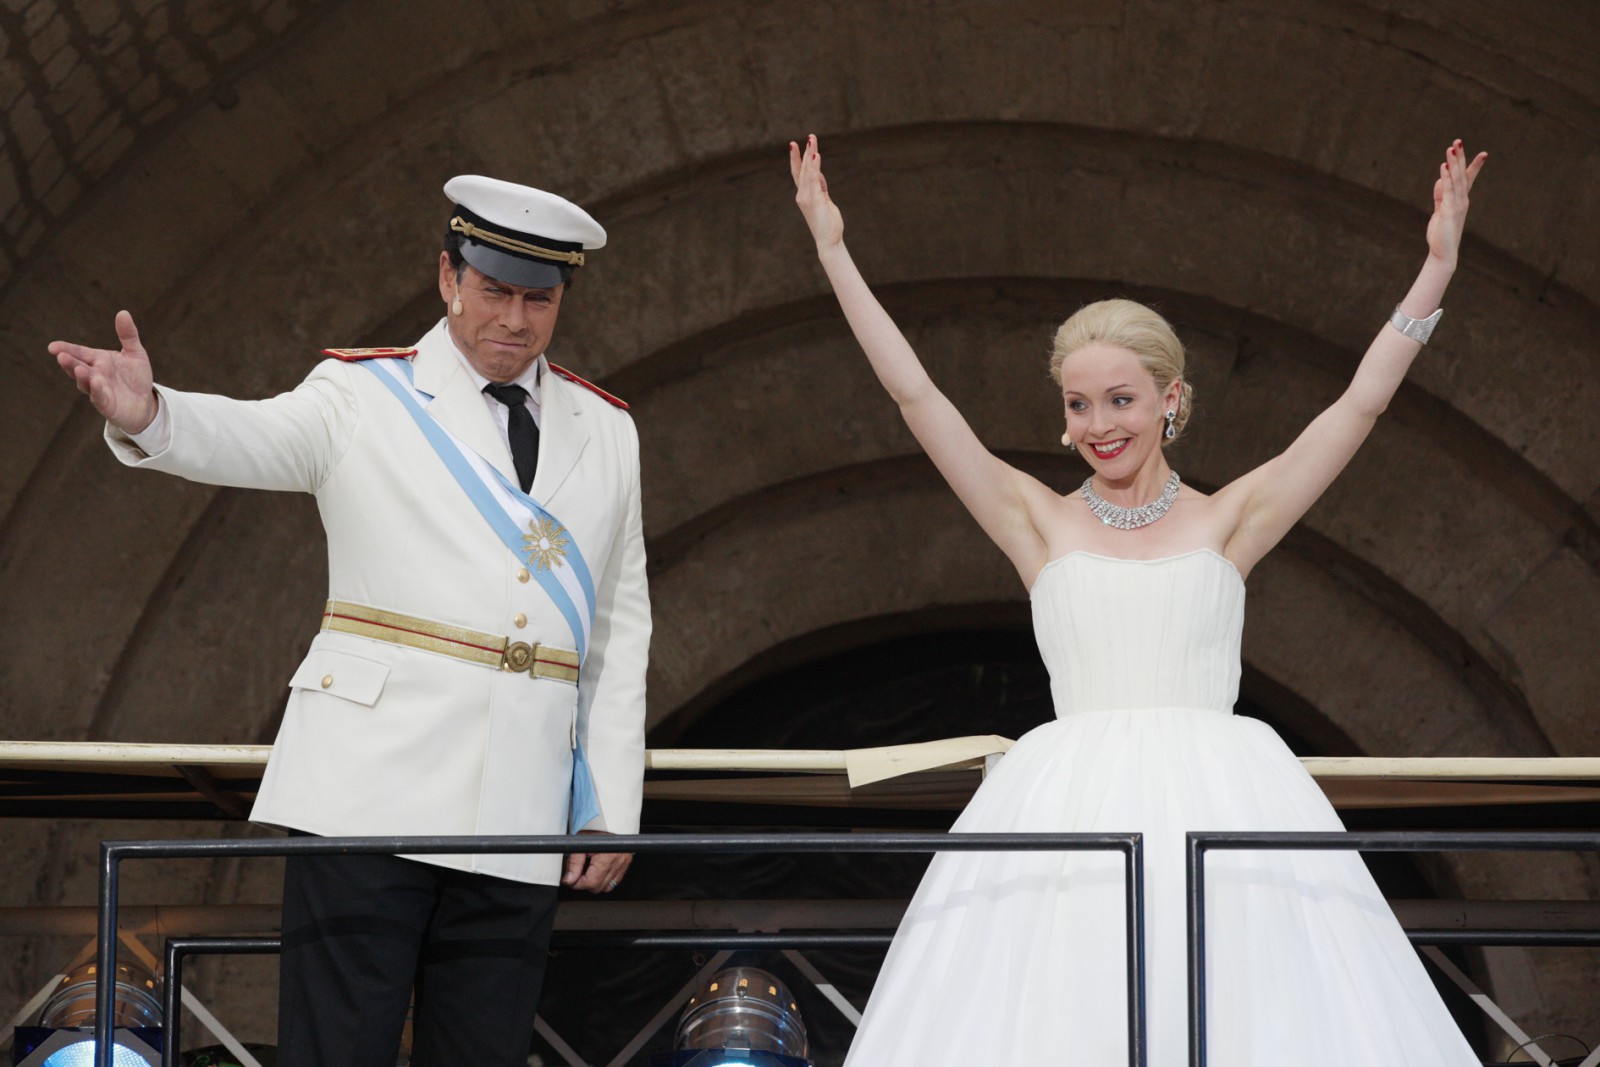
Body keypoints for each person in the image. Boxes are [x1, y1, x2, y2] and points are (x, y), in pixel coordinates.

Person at [790, 133, 1487, 1065]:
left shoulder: (1234, 517)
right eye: (1078, 405)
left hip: (1229, 807)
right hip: (1067, 814)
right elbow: (916, 398)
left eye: (1119, 400)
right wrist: (833, 250)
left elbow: (1356, 406)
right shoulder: (1032, 518)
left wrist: (1434, 270)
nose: (1098, 426)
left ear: (1171, 399)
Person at [50, 176, 651, 1066]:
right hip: (370, 795)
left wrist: (608, 805)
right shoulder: (363, 395)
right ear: (448, 278)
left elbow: (616, 624)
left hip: (523, 809)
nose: (515, 320)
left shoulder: (606, 430)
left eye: (539, 299)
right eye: (495, 292)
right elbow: (256, 436)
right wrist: (154, 413)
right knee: (340, 1051)